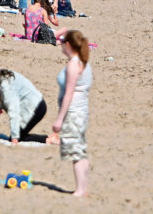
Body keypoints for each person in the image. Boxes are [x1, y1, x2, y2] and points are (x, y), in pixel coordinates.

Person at [50, 30, 92, 197]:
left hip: (74, 112)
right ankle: (83, 187)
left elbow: (69, 93)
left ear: (68, 45)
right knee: (80, 149)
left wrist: (59, 120)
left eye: (62, 42)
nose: (60, 44)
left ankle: (80, 189)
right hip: (82, 110)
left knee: (75, 151)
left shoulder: (74, 64)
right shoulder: (84, 61)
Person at [0, 67, 48, 144]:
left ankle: (49, 140)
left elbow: (14, 111)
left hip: (35, 109)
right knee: (19, 136)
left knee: (17, 138)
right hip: (36, 103)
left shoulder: (5, 86)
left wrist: (14, 139)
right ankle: (48, 139)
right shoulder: (2, 77)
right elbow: (7, 97)